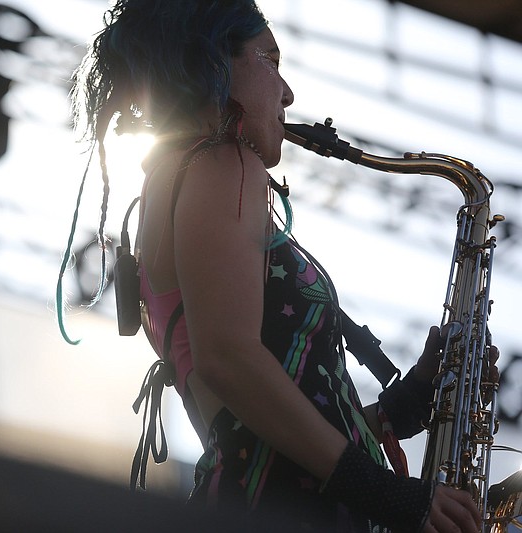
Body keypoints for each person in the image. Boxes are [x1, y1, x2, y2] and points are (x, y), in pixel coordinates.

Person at [60, 1, 499, 531]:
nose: (287, 93)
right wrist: (388, 493)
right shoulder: (220, 163)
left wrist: (398, 408)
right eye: (270, 59)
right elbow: (229, 359)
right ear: (214, 62)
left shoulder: (170, 180)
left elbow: (263, 434)